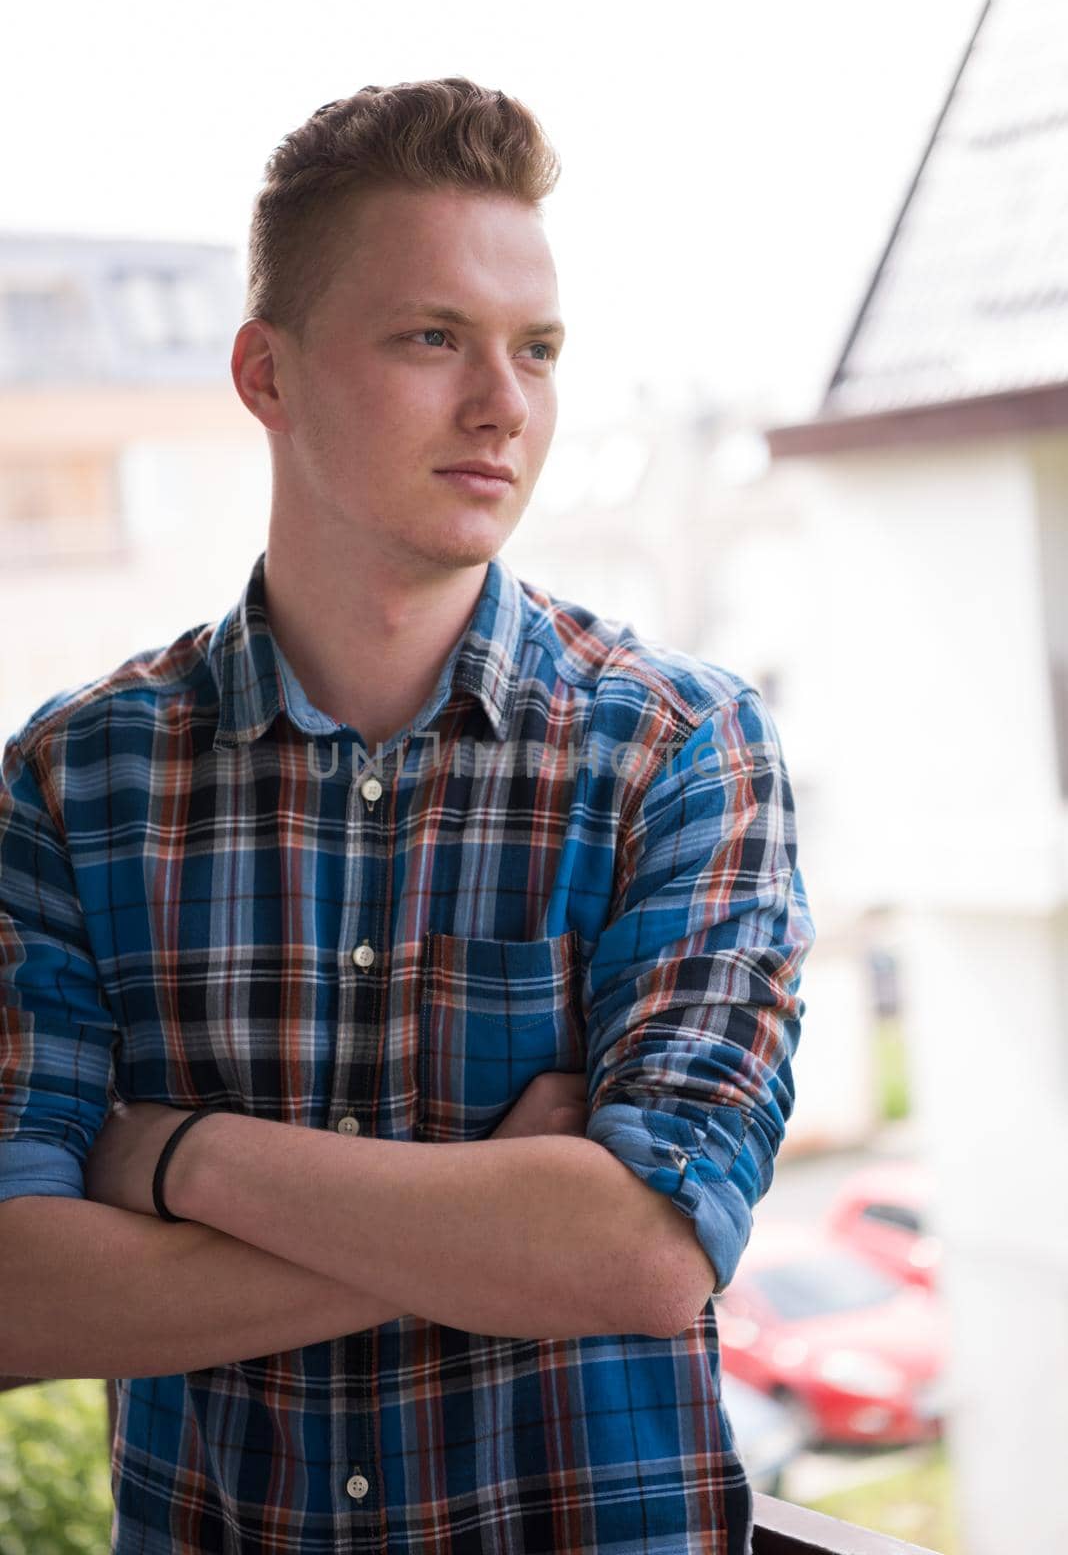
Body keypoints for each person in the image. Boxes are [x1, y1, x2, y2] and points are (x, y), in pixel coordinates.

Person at [0, 77, 815, 1554]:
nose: (505, 403)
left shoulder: (681, 753)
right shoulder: (75, 782)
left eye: (539, 349)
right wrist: (502, 1231)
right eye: (433, 337)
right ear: (268, 372)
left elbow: (645, 1255)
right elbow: (13, 1290)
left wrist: (185, 1161)